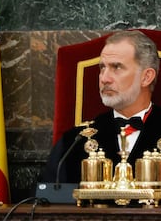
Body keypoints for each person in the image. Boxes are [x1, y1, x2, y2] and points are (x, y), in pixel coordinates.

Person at [42, 30, 161, 184]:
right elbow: (47, 201)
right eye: (102, 68)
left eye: (116, 67)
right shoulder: (74, 142)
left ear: (146, 77)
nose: (104, 78)